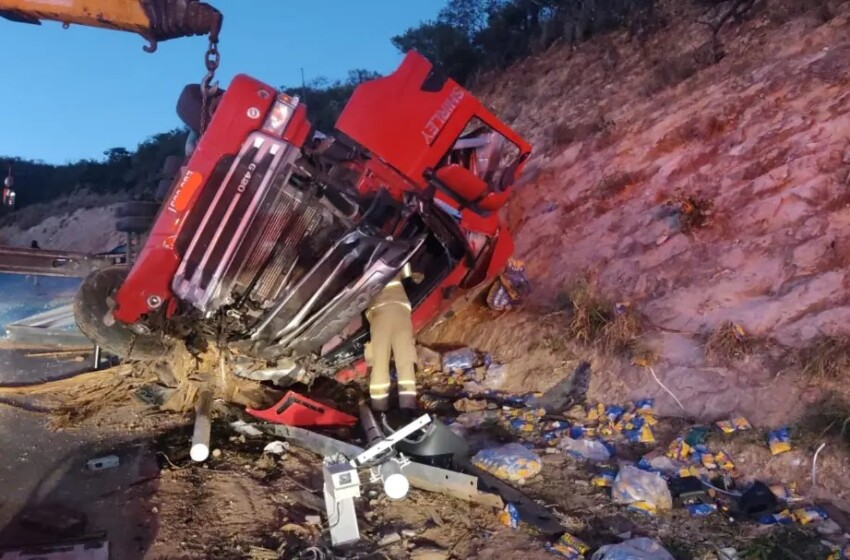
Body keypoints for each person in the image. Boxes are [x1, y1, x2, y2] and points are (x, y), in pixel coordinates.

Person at [364, 263, 420, 413]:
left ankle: (379, 409)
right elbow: (412, 277)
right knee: (405, 361)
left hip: (380, 312)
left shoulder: (362, 261)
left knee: (379, 362)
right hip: (401, 310)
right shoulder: (397, 253)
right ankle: (408, 409)